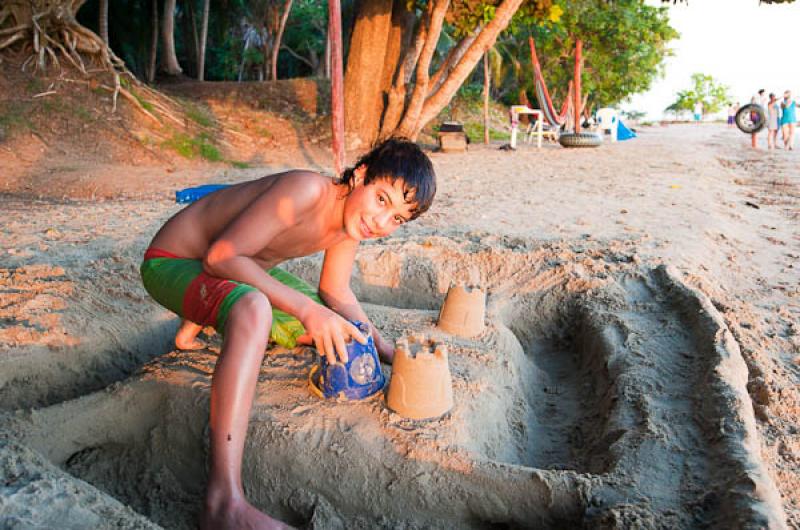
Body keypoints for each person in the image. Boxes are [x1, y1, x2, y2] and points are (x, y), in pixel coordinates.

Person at [139, 138, 436, 529]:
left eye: (397, 218)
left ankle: (193, 326)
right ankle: (223, 502)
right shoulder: (307, 189)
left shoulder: (351, 226)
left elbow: (335, 291)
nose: (381, 222)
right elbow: (219, 257)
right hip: (174, 262)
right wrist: (306, 310)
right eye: (381, 199)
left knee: (328, 317)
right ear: (361, 175)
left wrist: (379, 345)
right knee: (256, 309)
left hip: (228, 264)